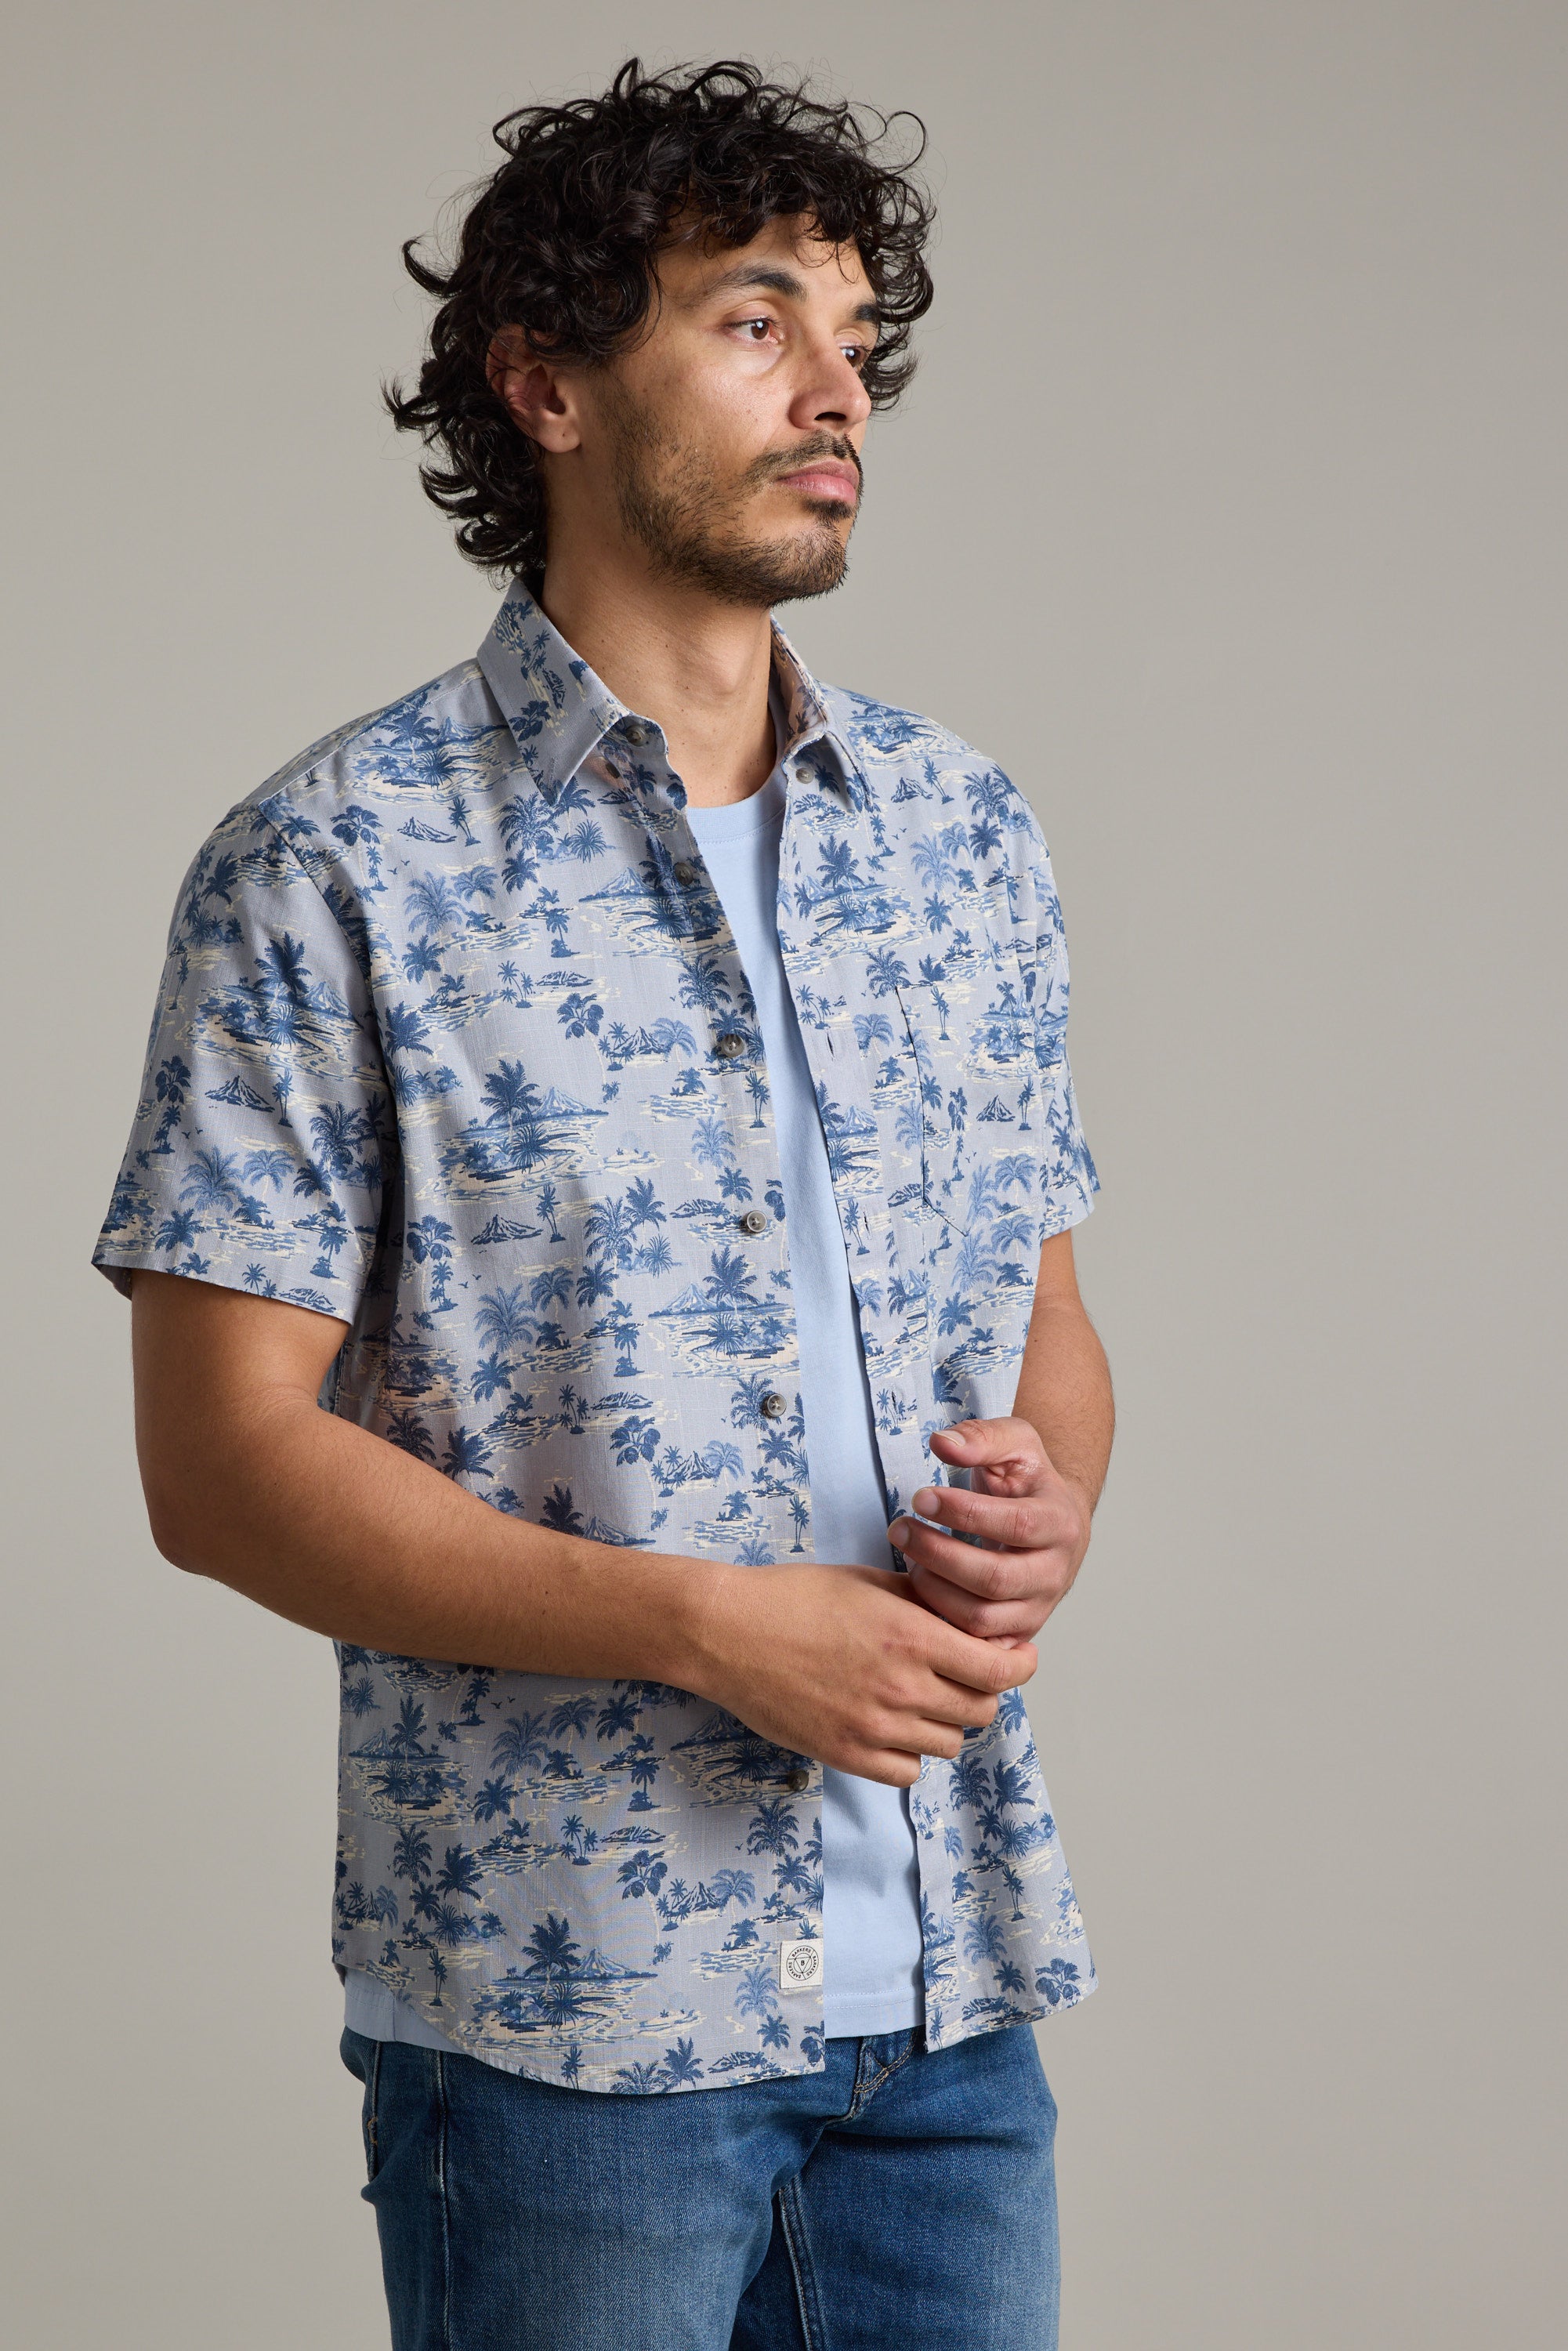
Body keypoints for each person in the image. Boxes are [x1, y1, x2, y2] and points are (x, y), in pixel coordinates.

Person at [92, 55, 1114, 2351]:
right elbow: (219, 1469)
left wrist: (1052, 1502)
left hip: (955, 2000)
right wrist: (699, 1625)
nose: (838, 384)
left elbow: (1044, 1324)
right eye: (755, 320)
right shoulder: (330, 867)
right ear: (543, 381)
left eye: (856, 334)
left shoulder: (960, 838)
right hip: (571, 2042)